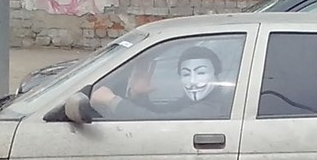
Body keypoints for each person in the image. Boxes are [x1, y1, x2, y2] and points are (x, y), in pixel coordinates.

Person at [91, 45, 235, 120]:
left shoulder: (212, 108)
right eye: (185, 74)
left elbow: (156, 123)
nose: (192, 81)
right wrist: (138, 96)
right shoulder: (191, 102)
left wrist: (112, 101)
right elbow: (162, 114)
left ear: (216, 73)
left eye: (201, 72)